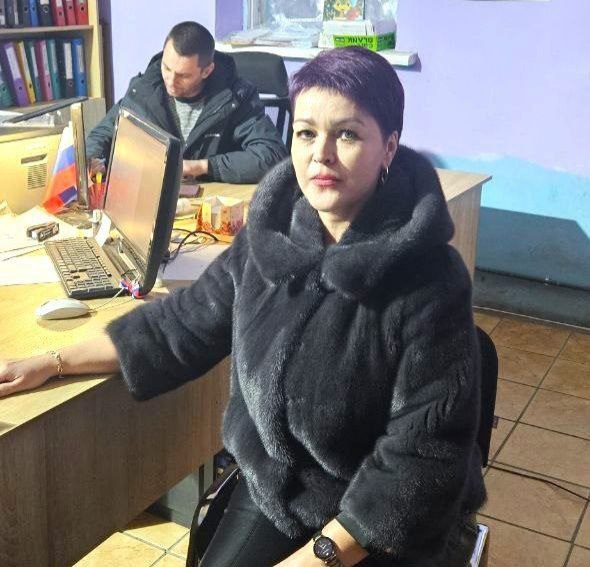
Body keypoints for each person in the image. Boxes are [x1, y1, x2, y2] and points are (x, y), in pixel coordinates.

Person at [0, 47, 486, 566]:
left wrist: (320, 556)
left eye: (347, 134)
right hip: (277, 491)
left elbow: (421, 457)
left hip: (377, 522)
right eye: (306, 133)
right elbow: (179, 325)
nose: (320, 154)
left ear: (388, 146)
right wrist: (53, 361)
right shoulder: (270, 238)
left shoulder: (428, 280)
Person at [86, 21, 288, 184]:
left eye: (183, 76)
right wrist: (94, 159)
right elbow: (102, 134)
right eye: (166, 68)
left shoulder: (235, 97)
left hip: (213, 203)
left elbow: (271, 155)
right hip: (152, 198)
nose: (170, 81)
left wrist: (201, 167)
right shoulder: (144, 89)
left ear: (207, 71)